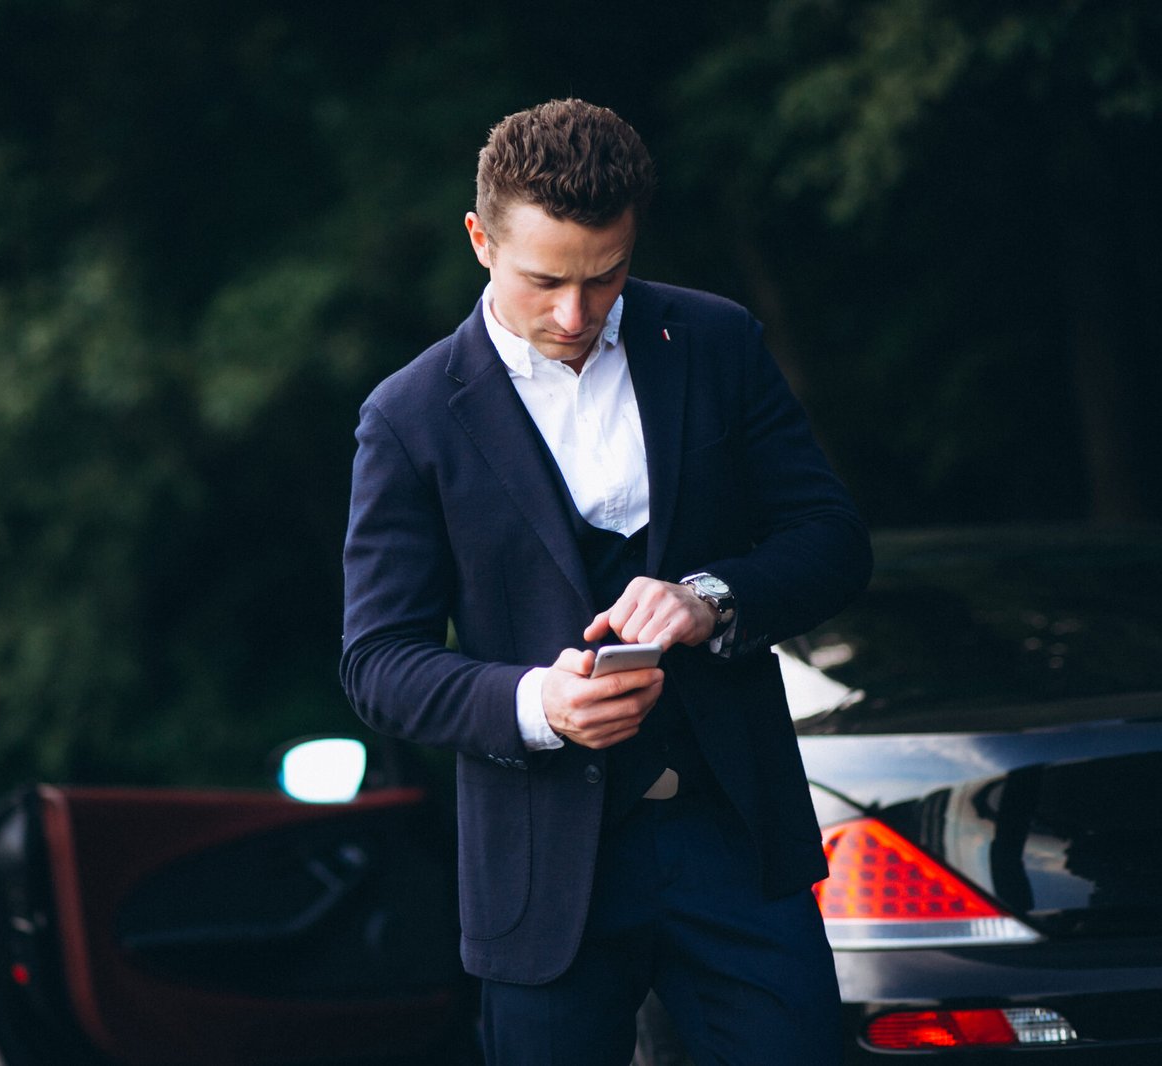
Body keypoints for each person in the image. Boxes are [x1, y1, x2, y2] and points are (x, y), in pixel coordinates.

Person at [340, 98, 871, 1064]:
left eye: (607, 276)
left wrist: (710, 597)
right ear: (479, 240)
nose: (577, 316)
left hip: (735, 840)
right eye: (545, 281)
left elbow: (832, 539)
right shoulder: (409, 417)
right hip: (542, 872)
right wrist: (535, 702)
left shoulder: (715, 342)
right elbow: (378, 662)